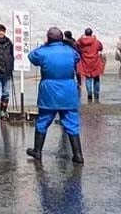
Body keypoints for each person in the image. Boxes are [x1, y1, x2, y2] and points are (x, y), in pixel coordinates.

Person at [27, 27, 84, 163]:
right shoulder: (70, 51)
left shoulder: (43, 51)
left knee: (43, 121)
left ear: (48, 38)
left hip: (49, 90)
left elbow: (31, 56)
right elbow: (77, 58)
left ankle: (37, 151)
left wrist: (44, 45)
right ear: (61, 38)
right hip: (68, 90)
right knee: (72, 123)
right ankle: (78, 154)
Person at [76, 28, 105, 103]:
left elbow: (76, 45)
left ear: (85, 33)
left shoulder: (81, 42)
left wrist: (80, 38)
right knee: (96, 78)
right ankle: (96, 95)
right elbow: (101, 48)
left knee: (88, 78)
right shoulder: (95, 41)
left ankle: (89, 94)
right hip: (95, 62)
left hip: (86, 61)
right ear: (91, 33)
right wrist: (95, 39)